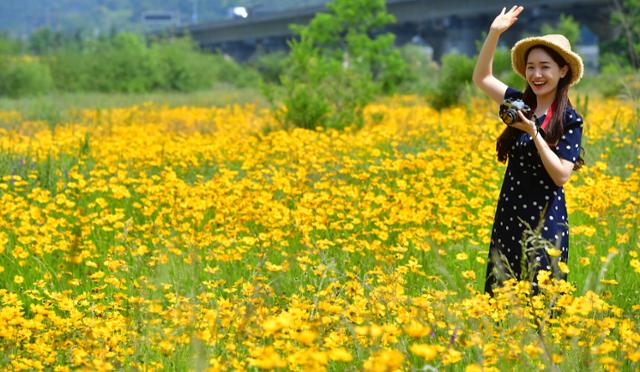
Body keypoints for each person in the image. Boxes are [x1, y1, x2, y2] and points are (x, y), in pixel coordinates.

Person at [472, 5, 585, 296]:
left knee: (540, 305)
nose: (536, 74)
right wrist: (494, 33)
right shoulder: (520, 102)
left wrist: (534, 132)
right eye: (531, 67)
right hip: (509, 216)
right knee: (501, 299)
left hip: (545, 223)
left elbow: (561, 175)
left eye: (545, 67)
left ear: (562, 71)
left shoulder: (570, 120)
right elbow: (482, 78)